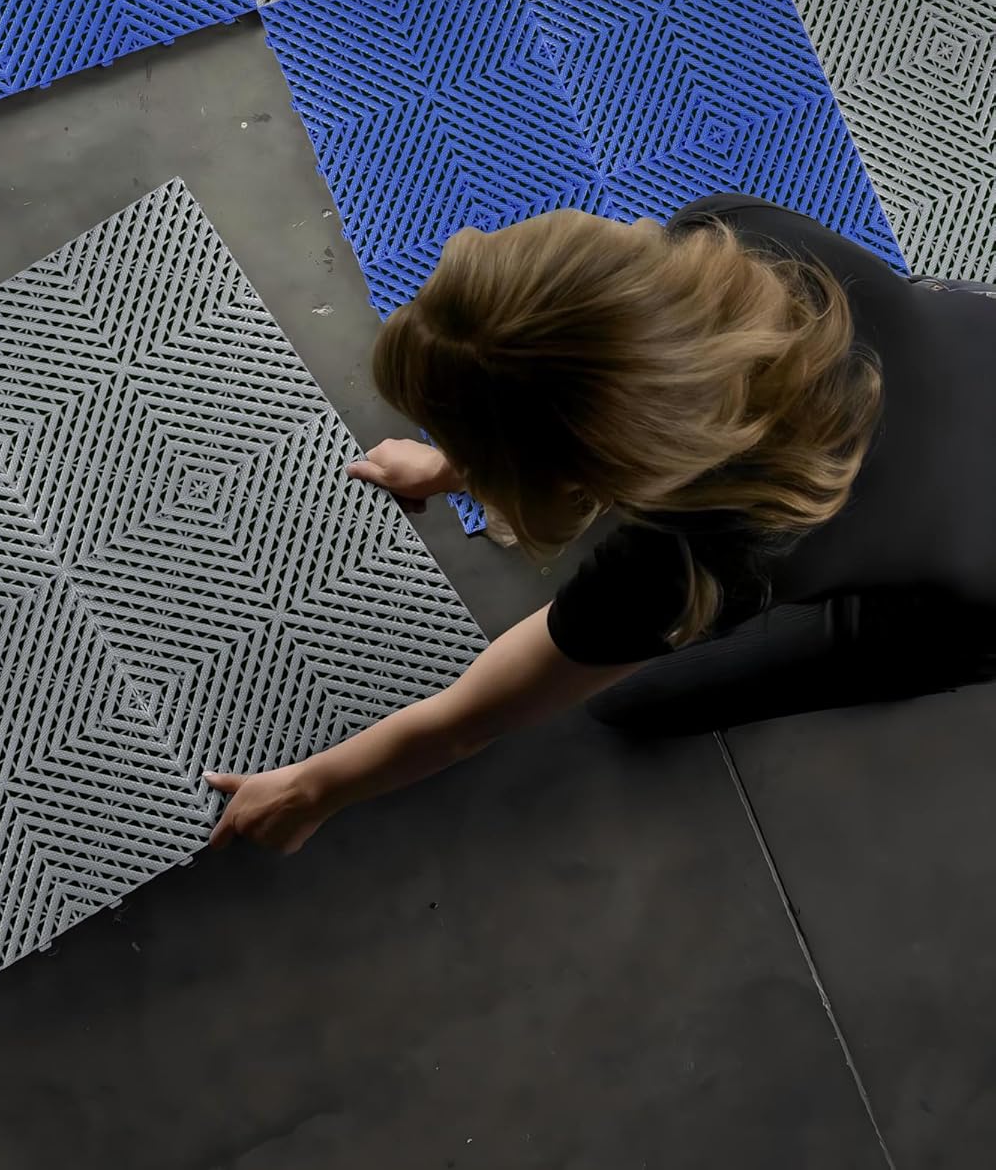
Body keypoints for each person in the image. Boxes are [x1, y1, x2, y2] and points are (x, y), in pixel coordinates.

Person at [205, 194, 996, 853]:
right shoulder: (743, 234)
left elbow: (469, 721)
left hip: (976, 598)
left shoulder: (698, 563)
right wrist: (459, 461)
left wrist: (314, 790)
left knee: (631, 700)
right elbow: (607, 378)